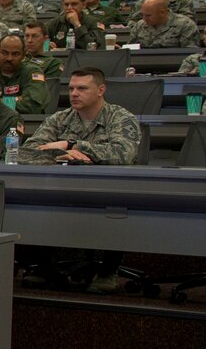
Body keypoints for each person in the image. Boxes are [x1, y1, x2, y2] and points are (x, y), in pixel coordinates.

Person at [20, 69, 141, 293]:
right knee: (34, 199)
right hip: (64, 188)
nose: (74, 94)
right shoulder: (60, 118)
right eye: (71, 89)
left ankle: (108, 270)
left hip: (110, 189)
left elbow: (122, 154)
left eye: (82, 88)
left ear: (100, 90)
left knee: (114, 205)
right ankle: (46, 268)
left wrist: (72, 145)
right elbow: (27, 152)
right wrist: (60, 155)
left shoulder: (121, 117)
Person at [0, 35, 52, 116]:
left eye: (15, 54)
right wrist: (17, 99)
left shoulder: (33, 72)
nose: (9, 58)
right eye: (4, 53)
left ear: (24, 55)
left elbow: (33, 106)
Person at [134, 0, 201, 49]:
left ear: (162, 12)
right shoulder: (139, 26)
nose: (144, 18)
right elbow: (130, 51)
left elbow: (190, 53)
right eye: (143, 15)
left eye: (148, 15)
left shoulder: (185, 25)